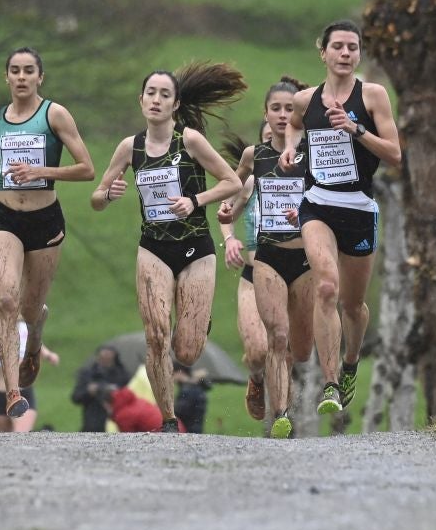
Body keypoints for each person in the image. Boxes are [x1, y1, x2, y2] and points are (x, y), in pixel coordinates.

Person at [90, 63, 245, 432]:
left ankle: (197, 321)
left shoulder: (189, 140)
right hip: (154, 247)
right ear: (141, 100)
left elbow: (232, 182)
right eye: (151, 93)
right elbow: (95, 198)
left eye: (164, 95)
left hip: (195, 247)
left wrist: (196, 201)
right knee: (157, 333)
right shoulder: (130, 147)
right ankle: (168, 418)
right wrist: (107, 195)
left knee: (187, 350)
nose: (156, 100)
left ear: (175, 104)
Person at [0, 47, 95, 420]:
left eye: (28, 71)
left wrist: (42, 173)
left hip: (44, 221)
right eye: (15, 71)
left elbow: (86, 169)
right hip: (3, 218)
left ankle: (34, 339)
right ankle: (12, 392)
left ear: (40, 77)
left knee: (29, 308)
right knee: (6, 301)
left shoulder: (54, 114)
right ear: (6, 77)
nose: (21, 77)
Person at [280, 20, 401, 414]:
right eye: (338, 47)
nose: (346, 54)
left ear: (359, 54)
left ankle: (350, 365)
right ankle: (330, 384)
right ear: (324, 52)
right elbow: (295, 127)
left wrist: (355, 129)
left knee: (353, 305)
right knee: (327, 288)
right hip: (317, 204)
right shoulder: (304, 99)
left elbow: (395, 154)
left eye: (353, 47)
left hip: (359, 208)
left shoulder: (373, 96)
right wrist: (289, 148)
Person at [225, 77, 315, 438]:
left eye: (289, 109)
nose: (282, 115)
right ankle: (276, 407)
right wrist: (229, 236)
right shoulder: (254, 160)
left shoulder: (311, 155)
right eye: (275, 108)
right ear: (265, 114)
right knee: (267, 344)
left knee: (297, 348)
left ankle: (277, 404)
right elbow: (228, 196)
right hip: (258, 266)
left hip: (303, 262)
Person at [217, 121, 272, 424]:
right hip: (253, 276)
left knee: (287, 351)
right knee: (257, 352)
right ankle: (257, 378)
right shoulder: (250, 183)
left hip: (291, 275)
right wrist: (230, 240)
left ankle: (283, 417)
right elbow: (225, 213)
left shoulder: (305, 179)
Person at [0, 303, 59, 433]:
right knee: (0, 442)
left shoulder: (26, 328)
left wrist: (49, 355)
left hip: (22, 391)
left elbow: (36, 344)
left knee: (20, 436)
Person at [71, 344, 131, 432]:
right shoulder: (88, 374)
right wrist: (89, 391)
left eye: (109, 358)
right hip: (92, 422)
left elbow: (131, 396)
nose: (105, 360)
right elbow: (75, 397)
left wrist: (114, 392)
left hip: (117, 422)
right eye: (103, 357)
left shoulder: (122, 375)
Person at [100, 384, 185, 433]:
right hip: (178, 429)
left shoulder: (122, 416)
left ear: (106, 404)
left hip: (169, 437)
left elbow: (128, 443)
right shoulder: (136, 401)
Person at [173, 364, 211, 434]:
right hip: (195, 429)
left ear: (180, 372)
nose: (172, 377)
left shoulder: (188, 389)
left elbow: (180, 411)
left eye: (173, 373)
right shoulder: (194, 387)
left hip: (189, 431)